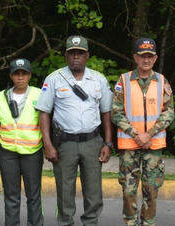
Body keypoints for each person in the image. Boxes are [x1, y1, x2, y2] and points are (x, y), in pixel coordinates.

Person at [35, 35, 113, 226]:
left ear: (87, 55)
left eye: (80, 53)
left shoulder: (98, 80)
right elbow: (44, 113)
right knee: (64, 190)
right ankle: (65, 222)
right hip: (65, 143)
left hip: (92, 142)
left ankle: (91, 222)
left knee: (94, 191)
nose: (75, 57)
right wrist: (48, 145)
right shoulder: (54, 79)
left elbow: (106, 113)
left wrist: (108, 143)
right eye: (72, 53)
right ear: (66, 56)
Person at [112, 38, 174, 226]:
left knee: (151, 189)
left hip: (153, 146)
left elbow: (169, 111)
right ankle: (130, 222)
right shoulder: (124, 80)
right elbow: (116, 112)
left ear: (155, 58)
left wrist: (150, 134)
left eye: (149, 56)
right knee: (128, 190)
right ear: (135, 58)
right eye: (142, 56)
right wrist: (136, 134)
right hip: (130, 145)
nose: (145, 60)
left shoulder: (162, 81)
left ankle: (148, 222)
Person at [0, 58, 44, 226]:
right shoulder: (1, 96)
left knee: (33, 195)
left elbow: (48, 121)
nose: (20, 77)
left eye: (24, 73)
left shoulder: (39, 94)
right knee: (11, 195)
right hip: (7, 152)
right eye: (17, 73)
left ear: (30, 75)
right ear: (11, 76)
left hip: (32, 152)